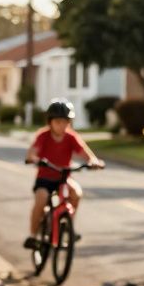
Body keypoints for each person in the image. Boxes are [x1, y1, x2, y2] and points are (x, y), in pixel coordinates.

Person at [22, 99, 104, 249]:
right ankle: (33, 236)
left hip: (64, 178)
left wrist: (93, 161)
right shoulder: (43, 136)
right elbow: (32, 153)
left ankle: (67, 224)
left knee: (76, 193)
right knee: (41, 199)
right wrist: (33, 158)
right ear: (50, 122)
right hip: (45, 178)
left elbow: (86, 154)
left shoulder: (71, 137)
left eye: (66, 122)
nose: (62, 125)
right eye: (58, 122)